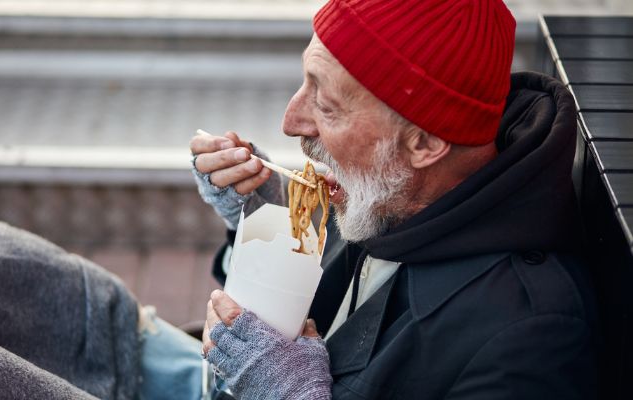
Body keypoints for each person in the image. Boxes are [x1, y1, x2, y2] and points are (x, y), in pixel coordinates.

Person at [190, 0, 598, 398]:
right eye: (306, 82)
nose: (291, 122)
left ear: (424, 143)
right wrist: (264, 221)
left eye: (326, 105)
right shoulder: (390, 188)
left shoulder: (527, 338)